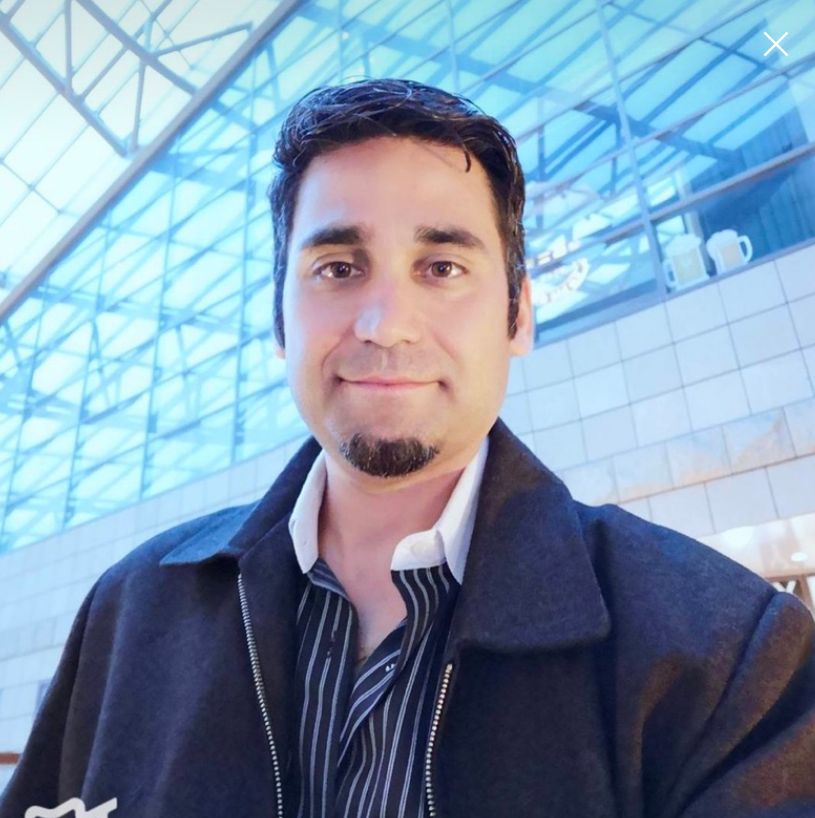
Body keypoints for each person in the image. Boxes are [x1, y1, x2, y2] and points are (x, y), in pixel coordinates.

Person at [1, 78, 814, 818]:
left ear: (518, 314)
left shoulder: (729, 659)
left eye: (441, 265)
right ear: (280, 322)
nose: (383, 321)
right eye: (338, 266)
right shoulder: (130, 611)